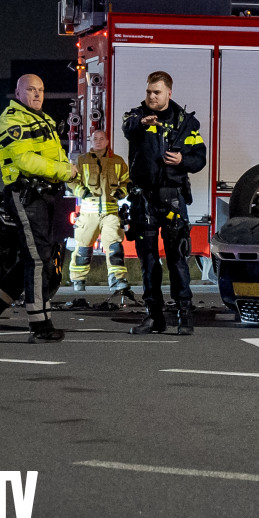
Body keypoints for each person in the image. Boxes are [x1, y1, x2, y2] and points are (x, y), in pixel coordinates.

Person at [0, 74, 76, 342]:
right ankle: (40, 326)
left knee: (37, 259)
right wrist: (65, 171)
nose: (38, 94)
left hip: (48, 195)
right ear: (18, 93)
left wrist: (67, 178)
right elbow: (27, 161)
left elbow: (55, 155)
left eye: (41, 89)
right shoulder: (11, 121)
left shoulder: (43, 119)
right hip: (26, 194)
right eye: (31, 90)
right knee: (38, 260)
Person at [122, 70, 206, 334]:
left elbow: (200, 157)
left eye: (156, 92)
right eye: (148, 92)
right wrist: (143, 123)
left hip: (172, 197)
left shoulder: (186, 123)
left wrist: (183, 161)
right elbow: (129, 128)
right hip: (143, 198)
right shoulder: (136, 117)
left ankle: (185, 316)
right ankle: (153, 316)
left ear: (169, 93)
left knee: (177, 258)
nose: (151, 97)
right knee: (148, 260)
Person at [68, 129, 131, 293]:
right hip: (89, 214)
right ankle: (78, 281)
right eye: (95, 138)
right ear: (91, 141)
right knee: (83, 248)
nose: (98, 141)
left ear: (107, 141)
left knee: (114, 247)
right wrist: (81, 191)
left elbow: (127, 182)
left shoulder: (118, 161)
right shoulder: (82, 160)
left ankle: (117, 279)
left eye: (101, 138)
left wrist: (122, 192)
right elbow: (72, 181)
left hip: (111, 214)